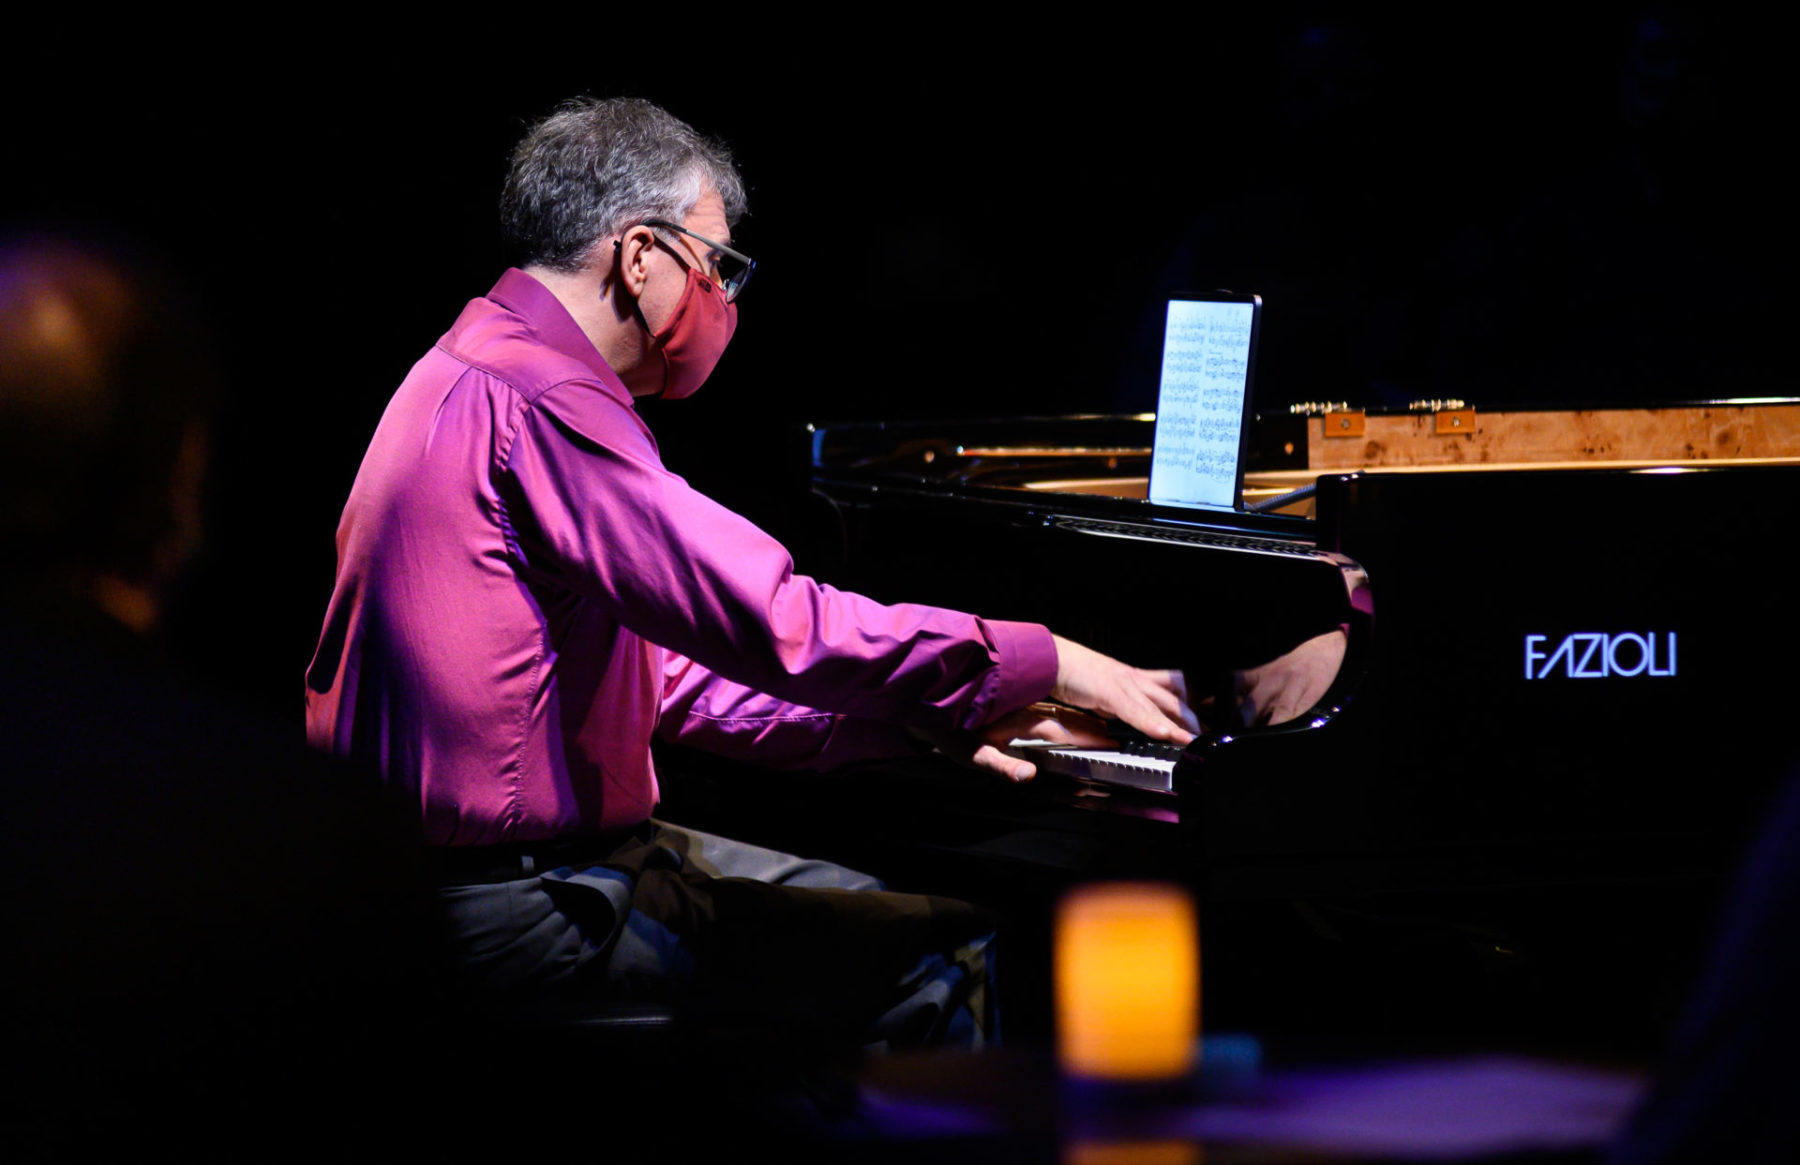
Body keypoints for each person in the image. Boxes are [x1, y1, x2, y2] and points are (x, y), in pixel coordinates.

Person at [304, 97, 1340, 1047]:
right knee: (945, 953)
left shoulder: (467, 364)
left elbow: (667, 681)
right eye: (718, 264)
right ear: (640, 255)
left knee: (884, 929)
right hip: (532, 906)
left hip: (452, 883)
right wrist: (1049, 660)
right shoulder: (541, 403)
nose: (723, 299)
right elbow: (775, 621)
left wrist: (923, 721)